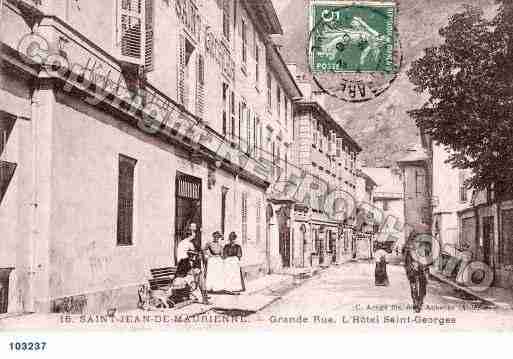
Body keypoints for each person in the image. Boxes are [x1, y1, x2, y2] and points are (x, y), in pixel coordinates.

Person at [404, 225, 430, 313]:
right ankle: (419, 302)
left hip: (416, 267)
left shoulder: (410, 244)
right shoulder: (426, 244)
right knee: (421, 285)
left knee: (414, 284)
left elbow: (404, 253)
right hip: (421, 268)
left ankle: (416, 302)